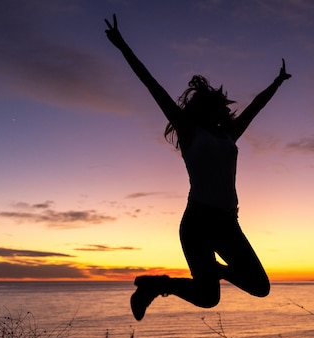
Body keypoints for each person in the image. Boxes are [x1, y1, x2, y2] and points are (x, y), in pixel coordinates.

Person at [104, 14, 291, 320]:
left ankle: (204, 272)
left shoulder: (227, 135)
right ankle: (156, 286)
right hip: (198, 222)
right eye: (218, 105)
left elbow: (254, 108)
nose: (225, 109)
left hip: (228, 222)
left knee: (260, 286)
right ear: (205, 107)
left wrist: (276, 83)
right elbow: (153, 87)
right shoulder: (189, 131)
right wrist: (123, 47)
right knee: (207, 298)